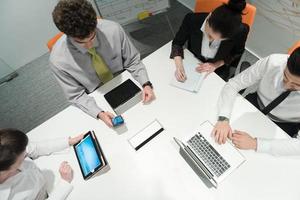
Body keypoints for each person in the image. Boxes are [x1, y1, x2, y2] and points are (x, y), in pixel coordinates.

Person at [50, 0, 155, 128]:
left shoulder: (113, 29)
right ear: (68, 35)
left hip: (125, 80)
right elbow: (76, 96)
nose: (89, 45)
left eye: (92, 37)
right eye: (81, 42)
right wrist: (99, 113)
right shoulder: (58, 60)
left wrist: (146, 83)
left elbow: (133, 60)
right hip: (96, 97)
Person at [213, 47, 300, 156]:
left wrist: (256, 144)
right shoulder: (274, 62)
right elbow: (233, 84)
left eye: (296, 85)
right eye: (285, 77)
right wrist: (223, 118)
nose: (286, 86)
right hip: (256, 103)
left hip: (283, 124)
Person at [170, 0, 249, 81]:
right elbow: (177, 43)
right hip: (193, 60)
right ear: (209, 17)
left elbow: (237, 52)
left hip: (218, 68)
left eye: (219, 39)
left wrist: (216, 65)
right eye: (209, 35)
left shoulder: (241, 31)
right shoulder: (192, 19)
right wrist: (179, 67)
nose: (211, 40)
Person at [0, 128, 83, 199]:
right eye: (24, 158)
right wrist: (65, 182)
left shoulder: (9, 149)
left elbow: (35, 148)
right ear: (9, 167)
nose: (27, 153)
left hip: (46, 181)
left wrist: (69, 142)